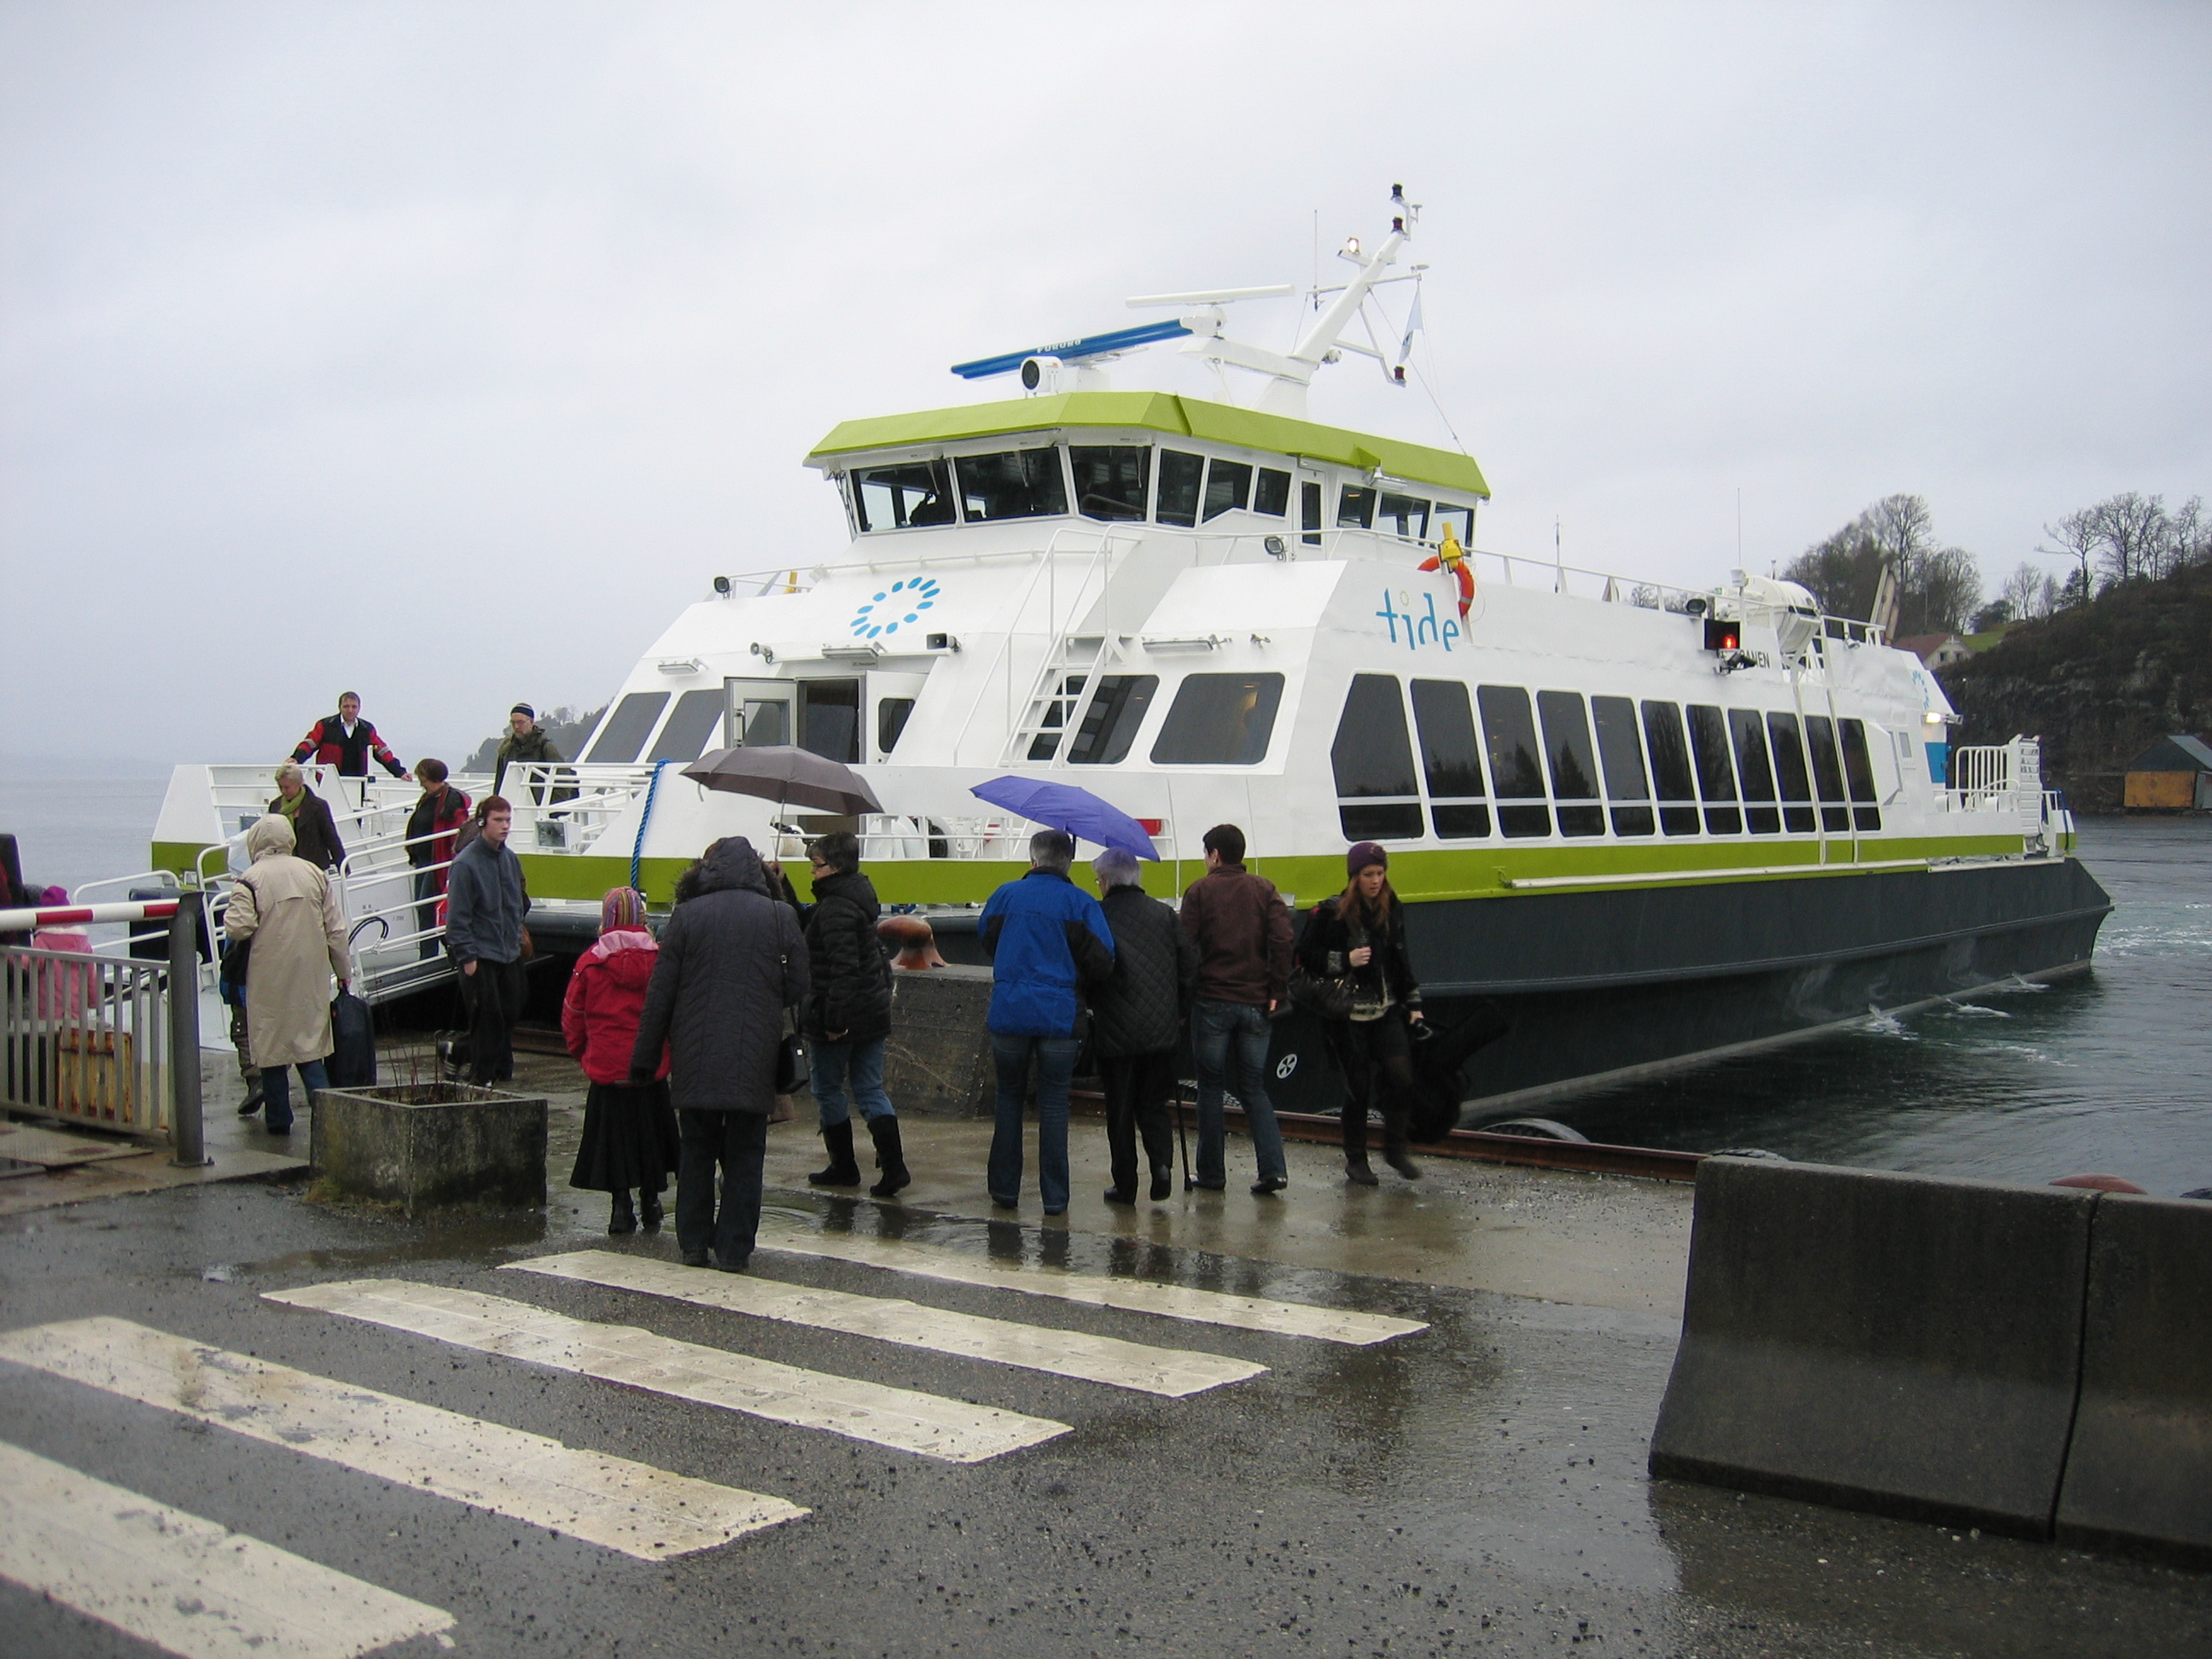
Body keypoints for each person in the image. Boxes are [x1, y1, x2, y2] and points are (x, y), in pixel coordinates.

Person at [630, 837, 807, 1272]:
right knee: (746, 1154)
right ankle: (734, 1250)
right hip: (755, 1053)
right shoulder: (780, 915)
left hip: (697, 1054)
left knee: (696, 1150)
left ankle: (693, 1244)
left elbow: (661, 993)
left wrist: (645, 1058)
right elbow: (800, 986)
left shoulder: (688, 915)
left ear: (706, 871)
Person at [979, 830, 1114, 1216]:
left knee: (1009, 1098)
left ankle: (1005, 1190)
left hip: (1009, 1012)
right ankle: (1055, 1198)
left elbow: (986, 939)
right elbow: (1103, 959)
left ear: (1033, 860)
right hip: (1059, 1015)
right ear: (1068, 863)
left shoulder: (1005, 896)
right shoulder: (1081, 903)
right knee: (1054, 1105)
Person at [1298, 842, 1427, 1185]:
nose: (1375, 881)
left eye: (1380, 874)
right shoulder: (1331, 913)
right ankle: (1357, 1160)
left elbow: (1401, 957)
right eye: (1369, 874)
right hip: (1347, 1014)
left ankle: (1395, 1149)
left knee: (1402, 1077)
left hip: (1385, 1010)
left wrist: (1414, 1004)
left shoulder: (1391, 907)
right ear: (1355, 877)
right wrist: (1345, 960)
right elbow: (1305, 956)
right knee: (1358, 1089)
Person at [1179, 823, 1294, 1196]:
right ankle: (1273, 1170)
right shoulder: (1265, 889)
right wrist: (1277, 988)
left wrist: (1185, 996)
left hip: (1212, 1001)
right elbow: (1283, 939)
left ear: (1214, 855)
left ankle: (1212, 1174)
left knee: (1211, 1089)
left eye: (1205, 853)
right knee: (1254, 1088)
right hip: (1257, 1003)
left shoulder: (1199, 891)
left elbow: (1185, 948)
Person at [563, 887, 680, 1234]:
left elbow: (573, 1016)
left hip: (607, 1069)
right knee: (650, 1136)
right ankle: (651, 1202)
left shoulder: (590, 963)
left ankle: (620, 1208)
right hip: (650, 1068)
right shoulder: (661, 959)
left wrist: (584, 1054)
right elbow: (672, 1013)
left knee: (614, 1140)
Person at [224, 815, 350, 1134]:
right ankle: (328, 1122)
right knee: (311, 1050)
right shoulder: (314, 874)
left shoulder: (249, 880)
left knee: (271, 1053)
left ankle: (279, 1122)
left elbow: (239, 928)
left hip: (268, 978)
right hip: (310, 976)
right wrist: (343, 971)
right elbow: (335, 929)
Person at [799, 831, 909, 1198]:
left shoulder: (835, 909)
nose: (812, 871)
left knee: (828, 1088)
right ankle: (894, 1167)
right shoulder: (855, 896)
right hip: (871, 1012)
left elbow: (843, 970)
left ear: (835, 867)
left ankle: (844, 1166)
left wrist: (834, 1022)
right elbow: (807, 920)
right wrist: (780, 886)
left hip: (842, 1016)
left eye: (816, 865)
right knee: (869, 1088)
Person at [1089, 847, 1196, 1206]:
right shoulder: (1164, 914)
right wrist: (1180, 1013)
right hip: (1161, 1031)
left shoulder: (1098, 916)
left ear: (1106, 881)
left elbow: (1092, 967)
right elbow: (1188, 967)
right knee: (1153, 1103)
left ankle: (1126, 1185)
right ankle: (1162, 1165)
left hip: (1116, 1030)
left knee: (1120, 1110)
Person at [445, 795, 529, 1086]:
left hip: (509, 950)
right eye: (498, 820)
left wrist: (516, 937)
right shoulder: (465, 864)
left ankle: (493, 1067)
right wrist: (467, 957)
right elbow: (457, 917)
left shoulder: (510, 859)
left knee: (510, 1012)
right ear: (482, 822)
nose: (505, 826)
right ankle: (482, 1075)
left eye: (508, 820)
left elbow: (518, 903)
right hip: (481, 954)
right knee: (487, 1017)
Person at [405, 760, 471, 958]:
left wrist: (453, 863)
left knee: (428, 906)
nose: (420, 781)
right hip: (424, 860)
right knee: (422, 906)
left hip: (438, 862)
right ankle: (428, 953)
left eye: (422, 776)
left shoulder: (451, 801)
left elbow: (457, 834)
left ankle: (434, 954)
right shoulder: (429, 798)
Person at [290, 692, 409, 779]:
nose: (350, 710)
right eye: (346, 706)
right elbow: (310, 743)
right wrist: (296, 758)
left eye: (354, 706)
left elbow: (382, 752)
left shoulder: (367, 729)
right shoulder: (325, 725)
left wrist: (400, 772)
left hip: (359, 781)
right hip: (329, 781)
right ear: (339, 707)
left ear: (359, 708)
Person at [268, 763, 346, 871]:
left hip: (313, 867)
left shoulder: (318, 806)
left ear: (299, 784)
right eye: (280, 787)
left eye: (287, 787)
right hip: (284, 868)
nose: (283, 791)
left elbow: (330, 837)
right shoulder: (275, 806)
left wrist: (342, 865)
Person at [494, 704, 569, 802]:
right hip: (512, 806)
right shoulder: (506, 750)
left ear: (531, 722)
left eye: (520, 722)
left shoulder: (546, 748)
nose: (516, 727)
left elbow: (562, 780)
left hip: (539, 807)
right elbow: (499, 783)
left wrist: (550, 807)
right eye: (513, 723)